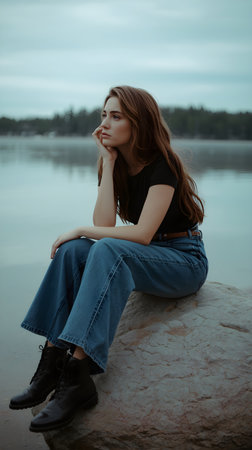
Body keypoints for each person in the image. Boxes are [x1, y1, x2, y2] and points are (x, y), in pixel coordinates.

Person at [9, 85, 208, 433]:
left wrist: (79, 228)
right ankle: (51, 363)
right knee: (74, 250)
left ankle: (78, 375)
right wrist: (109, 160)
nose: (105, 124)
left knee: (100, 246)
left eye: (116, 116)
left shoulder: (164, 166)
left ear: (138, 123)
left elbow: (142, 233)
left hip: (182, 260)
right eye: (104, 115)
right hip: (147, 254)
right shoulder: (114, 161)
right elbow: (106, 226)